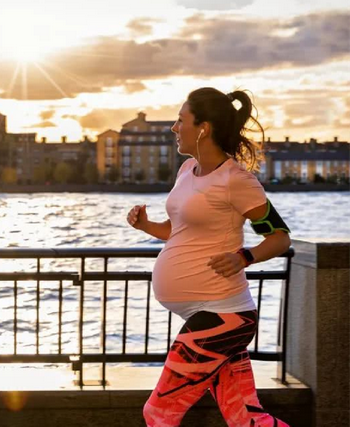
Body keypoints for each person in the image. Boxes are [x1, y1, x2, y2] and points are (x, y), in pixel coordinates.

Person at [127, 87, 292, 427]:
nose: (174, 128)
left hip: (223, 316)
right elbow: (180, 232)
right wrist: (146, 226)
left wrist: (245, 256)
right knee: (246, 418)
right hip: (210, 314)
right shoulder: (187, 170)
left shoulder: (236, 181)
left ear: (203, 128)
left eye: (180, 120)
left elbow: (279, 237)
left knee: (158, 413)